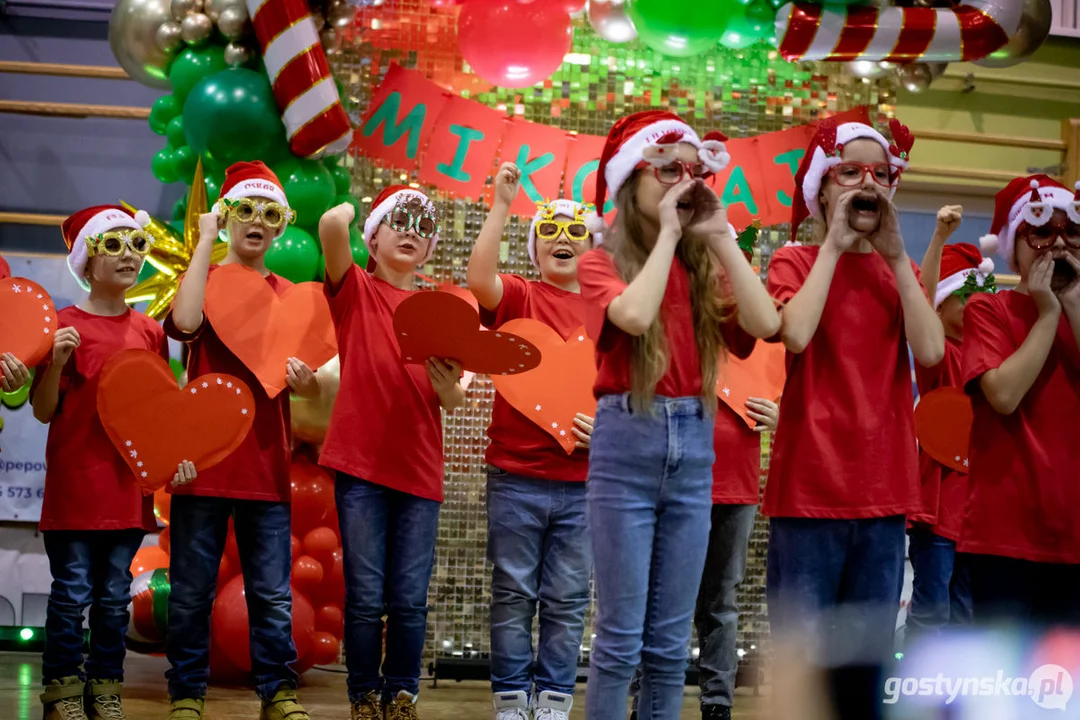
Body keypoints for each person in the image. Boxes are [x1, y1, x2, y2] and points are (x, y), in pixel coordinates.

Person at [577, 110, 781, 720]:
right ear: (628, 182)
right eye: (667, 170)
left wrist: (719, 235)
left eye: (694, 171)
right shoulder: (599, 261)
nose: (684, 182)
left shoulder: (704, 267)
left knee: (670, 645)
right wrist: (668, 234)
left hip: (694, 448)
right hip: (626, 441)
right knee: (620, 640)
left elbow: (768, 324)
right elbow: (634, 319)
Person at [764, 117, 943, 719]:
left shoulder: (900, 272)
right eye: (849, 172)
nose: (867, 183)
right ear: (821, 188)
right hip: (808, 488)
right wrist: (834, 246)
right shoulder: (795, 259)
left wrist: (897, 258)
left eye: (881, 174)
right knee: (804, 664)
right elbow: (795, 334)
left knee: (866, 667)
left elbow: (933, 352)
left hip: (883, 491)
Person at [165, 162, 318, 720]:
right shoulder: (203, 280)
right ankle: (186, 692)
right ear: (226, 216)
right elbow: (182, 323)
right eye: (245, 210)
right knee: (190, 590)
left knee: (272, 594)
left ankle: (278, 692)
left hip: (265, 466)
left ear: (281, 226)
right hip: (202, 463)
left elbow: (295, 375)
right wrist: (204, 240)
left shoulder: (291, 297)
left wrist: (303, 383)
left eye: (270, 213)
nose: (257, 221)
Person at [318, 185, 465, 720]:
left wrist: (446, 380)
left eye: (423, 227)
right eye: (399, 221)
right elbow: (333, 225)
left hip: (419, 471)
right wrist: (368, 210)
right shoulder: (355, 290)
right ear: (373, 237)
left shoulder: (442, 310)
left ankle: (401, 693)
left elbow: (454, 398)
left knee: (408, 597)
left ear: (429, 251)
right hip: (360, 467)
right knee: (365, 594)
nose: (411, 231)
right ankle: (361, 694)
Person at [30, 205, 173, 720]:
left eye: (136, 245)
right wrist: (58, 364)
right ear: (87, 260)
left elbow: (156, 414)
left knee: (114, 600)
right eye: (113, 245)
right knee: (71, 596)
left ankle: (105, 686)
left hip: (125, 492)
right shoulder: (62, 327)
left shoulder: (150, 332)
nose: (129, 255)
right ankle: (62, 690)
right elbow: (44, 410)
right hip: (74, 490)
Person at [467, 163, 598, 720]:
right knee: (514, 593)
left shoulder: (610, 311)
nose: (562, 240)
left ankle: (554, 700)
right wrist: (501, 205)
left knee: (569, 601)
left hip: (586, 485)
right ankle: (511, 699)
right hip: (516, 478)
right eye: (549, 231)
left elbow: (628, 386)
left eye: (575, 232)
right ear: (533, 247)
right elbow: (479, 281)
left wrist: (612, 430)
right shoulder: (519, 295)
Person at [959, 175, 1080, 625]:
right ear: (1016, 243)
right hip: (1004, 535)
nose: (1058, 245)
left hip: (1073, 534)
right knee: (1006, 685)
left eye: (1071, 231)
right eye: (1042, 232)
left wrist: (1071, 302)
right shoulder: (990, 309)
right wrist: (1048, 312)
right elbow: (1004, 396)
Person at [906, 211, 995, 642]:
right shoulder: (938, 355)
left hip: (979, 516)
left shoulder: (991, 363)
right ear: (942, 304)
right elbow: (920, 297)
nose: (978, 305)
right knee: (932, 610)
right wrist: (940, 238)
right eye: (967, 297)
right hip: (938, 513)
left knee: (966, 616)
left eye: (984, 298)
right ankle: (916, 695)